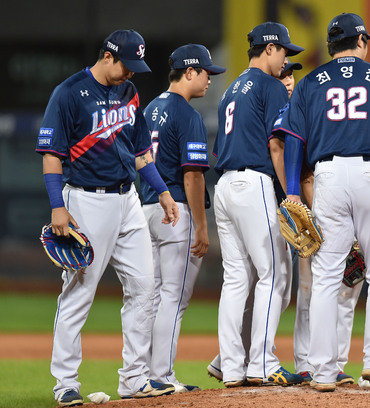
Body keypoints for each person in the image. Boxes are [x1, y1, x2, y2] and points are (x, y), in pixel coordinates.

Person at [35, 29, 180, 406]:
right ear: (107, 56)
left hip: (127, 198)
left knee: (145, 288)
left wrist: (162, 191)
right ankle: (65, 383)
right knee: (79, 292)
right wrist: (57, 205)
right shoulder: (68, 93)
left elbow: (141, 153)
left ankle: (134, 378)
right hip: (85, 200)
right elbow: (52, 155)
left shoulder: (129, 94)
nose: (131, 73)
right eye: (127, 65)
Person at [275, 12, 370, 392]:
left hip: (328, 177)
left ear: (332, 45)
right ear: (362, 42)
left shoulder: (308, 84)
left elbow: (293, 140)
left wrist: (291, 189)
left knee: (325, 277)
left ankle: (321, 372)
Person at [212, 21, 304, 388]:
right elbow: (276, 146)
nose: (285, 59)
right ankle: (262, 363)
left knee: (235, 279)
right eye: (283, 51)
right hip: (255, 184)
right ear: (268, 49)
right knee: (275, 274)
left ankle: (231, 366)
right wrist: (290, 193)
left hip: (224, 186)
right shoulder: (271, 86)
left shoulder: (230, 89)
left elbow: (221, 147)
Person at [141, 44, 226, 393]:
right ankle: (162, 375)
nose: (209, 79)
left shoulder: (148, 109)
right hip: (175, 211)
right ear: (189, 72)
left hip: (146, 209)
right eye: (206, 72)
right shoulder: (187, 115)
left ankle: (141, 374)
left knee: (151, 296)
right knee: (173, 299)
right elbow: (193, 175)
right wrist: (202, 226)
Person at [273, 58, 360, 386]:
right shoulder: (295, 112)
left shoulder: (319, 111)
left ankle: (334, 362)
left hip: (335, 205)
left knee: (346, 290)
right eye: (283, 74)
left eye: (292, 73)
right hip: (315, 208)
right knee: (309, 291)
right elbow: (290, 158)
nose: (290, 79)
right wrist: (304, 208)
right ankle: (308, 362)